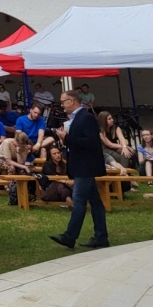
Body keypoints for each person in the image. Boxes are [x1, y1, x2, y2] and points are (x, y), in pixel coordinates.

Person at [50, 89, 109, 249]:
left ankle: (70, 236)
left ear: (72, 101)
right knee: (95, 203)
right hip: (82, 166)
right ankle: (101, 236)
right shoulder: (78, 118)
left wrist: (66, 138)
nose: (62, 106)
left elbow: (90, 142)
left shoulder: (86, 117)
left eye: (63, 102)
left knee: (79, 201)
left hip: (86, 166)